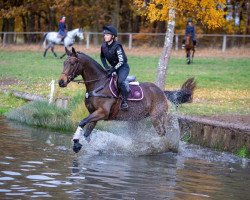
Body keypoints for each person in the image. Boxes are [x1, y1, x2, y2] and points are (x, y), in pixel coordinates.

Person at [100, 25, 130, 110]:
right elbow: (102, 57)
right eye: (104, 35)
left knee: (120, 82)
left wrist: (112, 69)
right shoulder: (103, 46)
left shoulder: (117, 46)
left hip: (123, 68)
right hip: (113, 67)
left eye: (107, 35)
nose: (105, 36)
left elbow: (121, 61)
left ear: (113, 36)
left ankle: (125, 102)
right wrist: (106, 67)